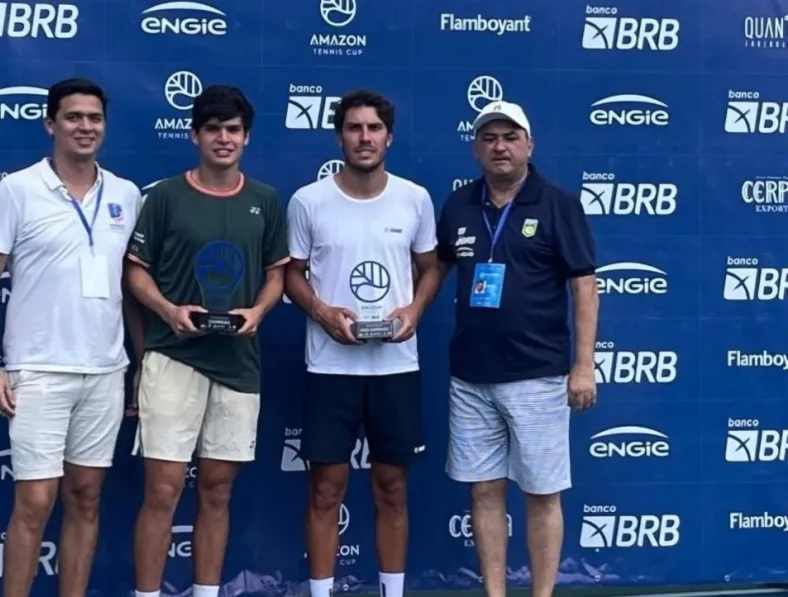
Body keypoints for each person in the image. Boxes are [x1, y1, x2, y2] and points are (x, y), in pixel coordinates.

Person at [0, 78, 144, 597]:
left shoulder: (126, 194)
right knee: (35, 501)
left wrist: (141, 363)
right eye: (73, 117)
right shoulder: (17, 189)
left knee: (86, 497)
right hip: (38, 369)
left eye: (94, 118)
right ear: (51, 123)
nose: (85, 127)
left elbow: (130, 287)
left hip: (106, 370)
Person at [125, 85, 289, 597]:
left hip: (238, 363)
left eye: (233, 129)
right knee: (163, 490)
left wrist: (258, 311)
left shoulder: (265, 200)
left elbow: (277, 275)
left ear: (247, 137)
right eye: (213, 129)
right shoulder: (164, 197)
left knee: (217, 490)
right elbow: (135, 272)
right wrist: (168, 311)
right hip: (173, 358)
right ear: (194, 135)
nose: (224, 138)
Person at [435, 100, 599, 597]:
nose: (499, 147)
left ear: (530, 145)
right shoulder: (458, 205)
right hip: (470, 376)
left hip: (538, 375)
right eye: (489, 138)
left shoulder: (558, 203)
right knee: (484, 490)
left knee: (542, 493)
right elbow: (438, 268)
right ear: (475, 148)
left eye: (510, 137)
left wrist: (584, 366)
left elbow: (584, 285)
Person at [284, 89, 442, 597]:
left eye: (374, 128)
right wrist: (322, 312)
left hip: (395, 367)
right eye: (354, 128)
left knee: (392, 488)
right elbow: (291, 275)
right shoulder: (309, 201)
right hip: (330, 369)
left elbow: (431, 268)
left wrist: (414, 311)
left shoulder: (414, 198)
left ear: (389, 137)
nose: (365, 137)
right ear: (339, 137)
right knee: (325, 489)